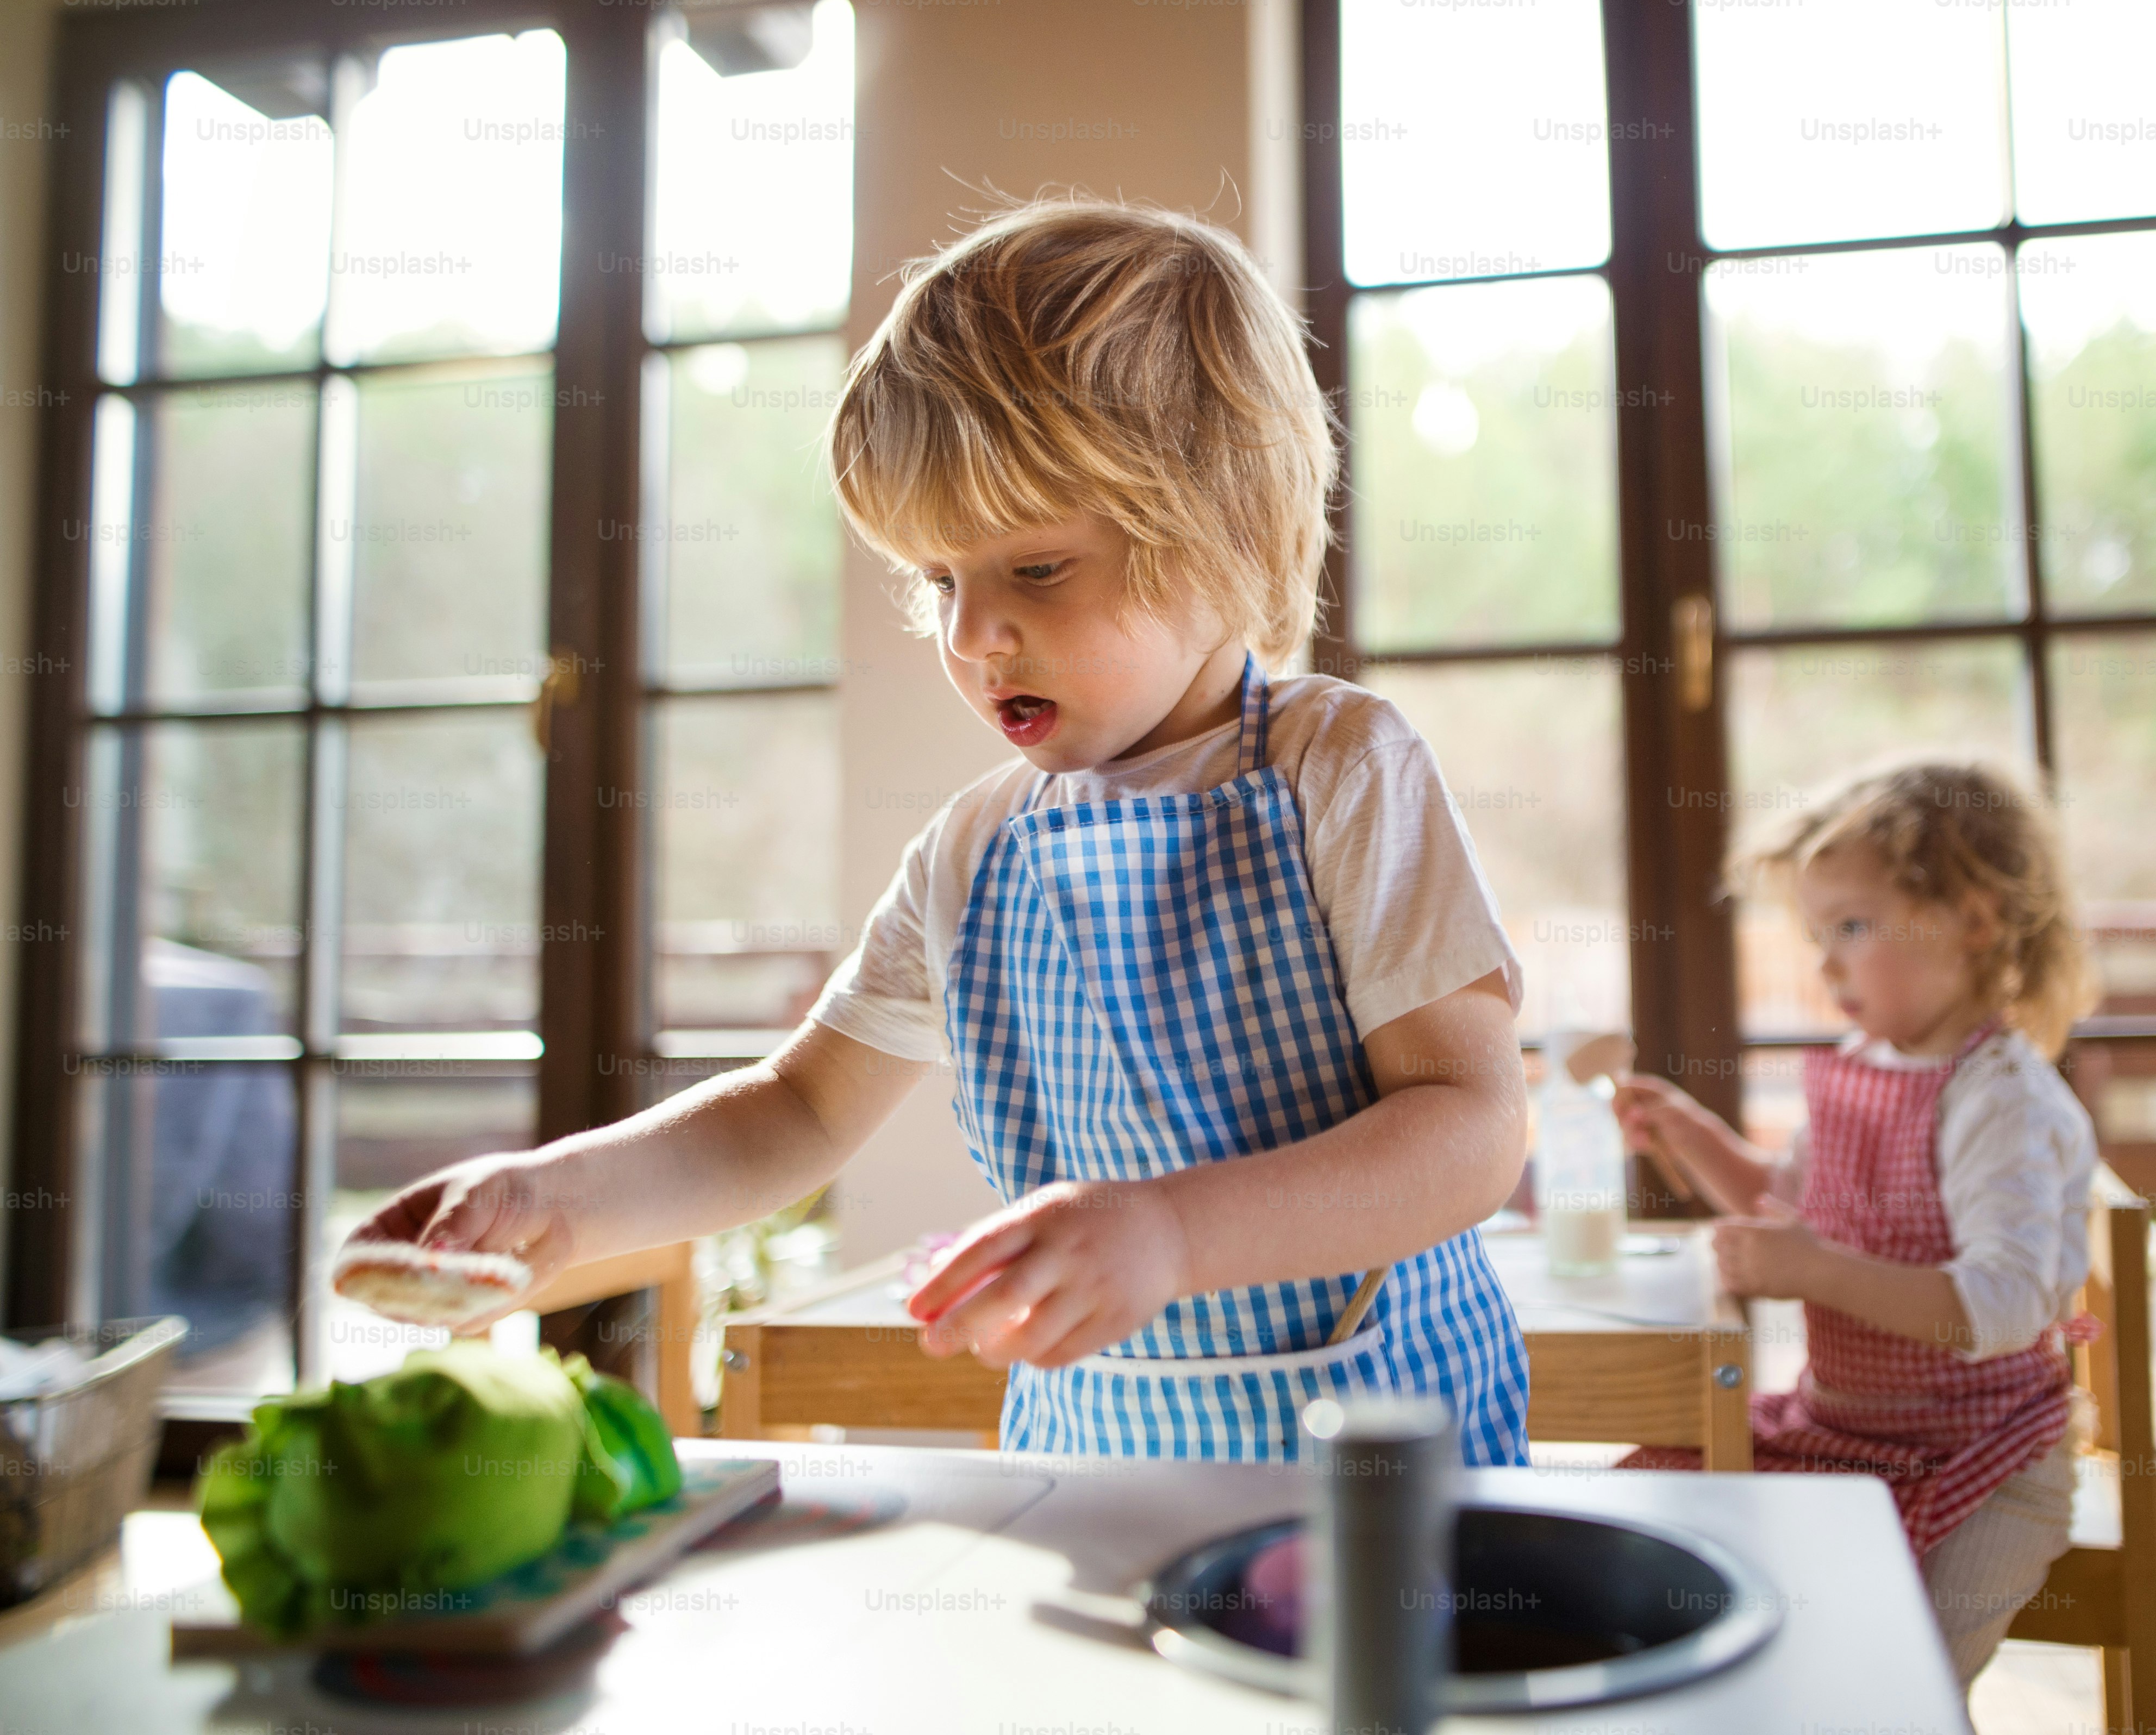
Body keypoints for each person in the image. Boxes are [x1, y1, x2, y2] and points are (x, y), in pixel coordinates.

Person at [348, 198, 1532, 1464]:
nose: (972, 637)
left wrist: (1172, 1232)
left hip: (1389, 1469)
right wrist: (556, 1197)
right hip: (1092, 1465)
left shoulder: (1339, 770)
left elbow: (1468, 1128)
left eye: (1034, 569)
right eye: (939, 581)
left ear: (1221, 531)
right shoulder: (974, 852)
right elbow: (795, 1111)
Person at [1612, 760, 2100, 1687]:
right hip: (1843, 1430)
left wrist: (1818, 1271)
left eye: (1853, 927)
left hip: (1984, 1463)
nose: (1825, 961)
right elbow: (1787, 1206)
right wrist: (1690, 1132)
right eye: (1817, 933)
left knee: (1894, 1681)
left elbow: (1999, 1305)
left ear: (1975, 921)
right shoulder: (1861, 1060)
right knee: (1656, 1500)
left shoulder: (2003, 1102)